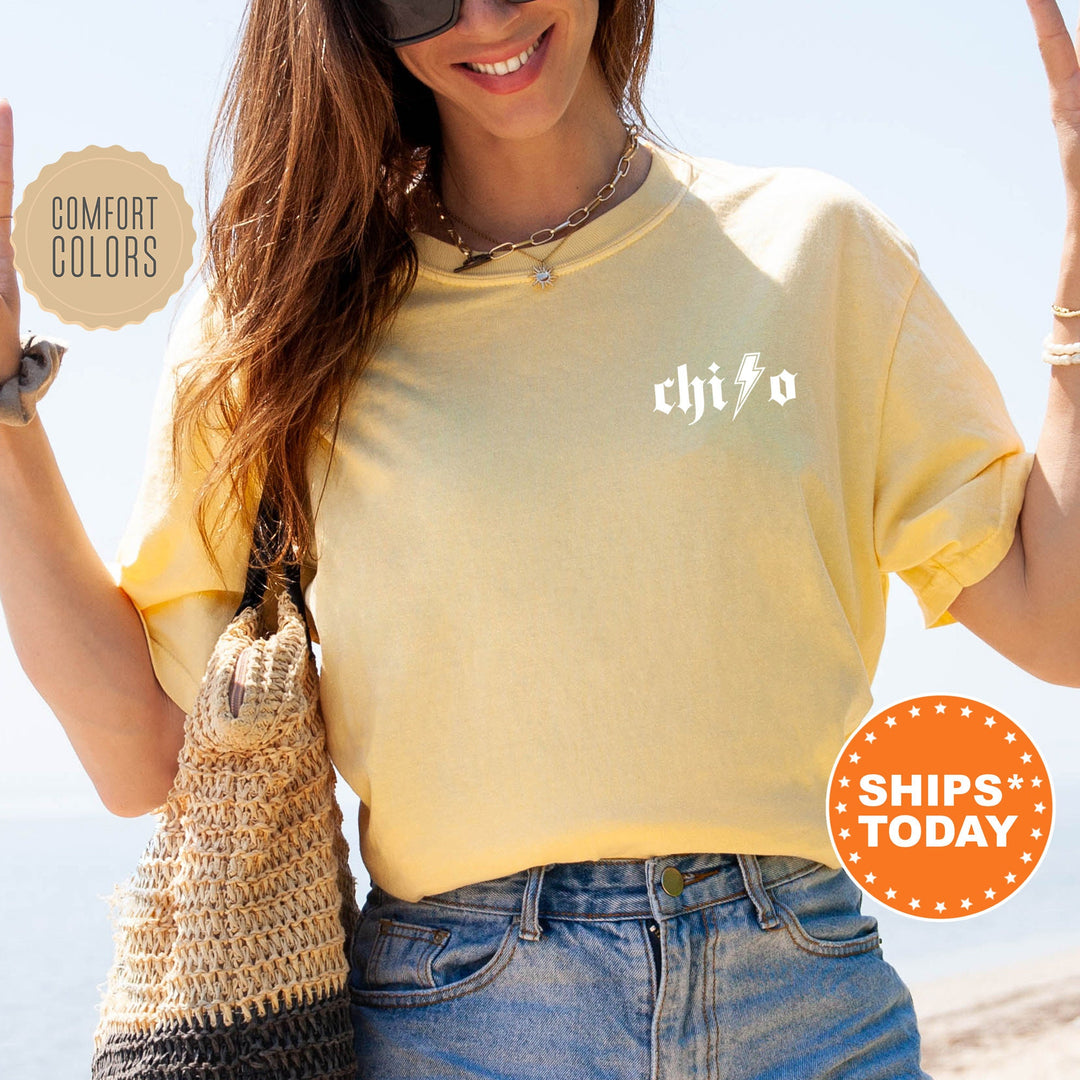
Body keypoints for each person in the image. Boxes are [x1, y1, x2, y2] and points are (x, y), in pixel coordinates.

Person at [2, 1, 1079, 1077]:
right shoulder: (283, 319)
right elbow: (145, 754)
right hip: (457, 1022)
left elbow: (1056, 619)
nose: (489, 13)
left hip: (804, 1005)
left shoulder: (816, 253)